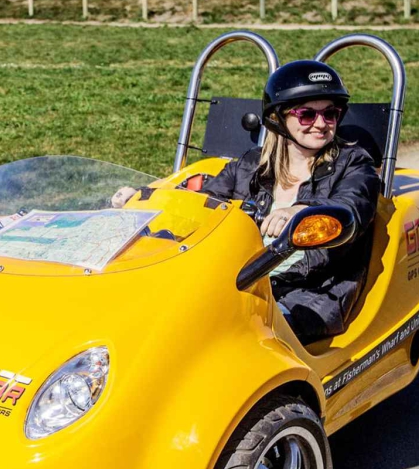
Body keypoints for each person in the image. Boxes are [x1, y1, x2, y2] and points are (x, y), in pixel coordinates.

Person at [113, 60, 379, 344]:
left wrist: (304, 212)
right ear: (279, 117)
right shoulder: (251, 165)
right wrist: (142, 201)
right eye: (306, 115)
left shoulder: (354, 164)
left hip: (309, 293)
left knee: (216, 336)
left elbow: (353, 205)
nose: (321, 123)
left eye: (330, 113)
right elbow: (201, 202)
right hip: (236, 281)